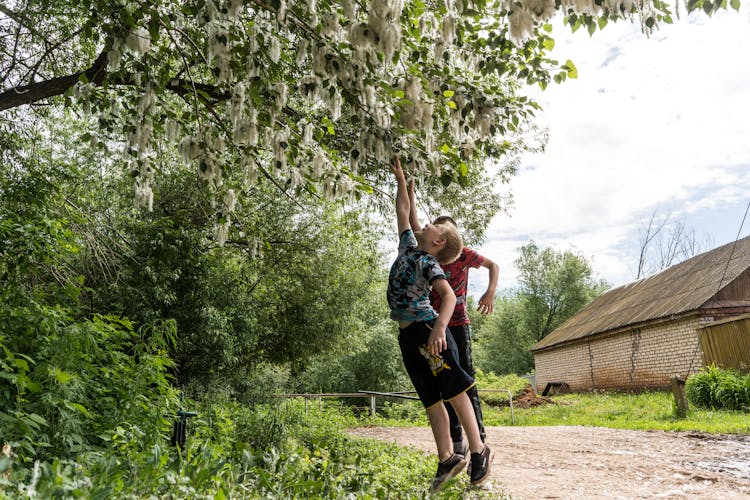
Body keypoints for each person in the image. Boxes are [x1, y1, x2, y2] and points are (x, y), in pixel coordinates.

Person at [386, 155, 493, 491]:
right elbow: (403, 211)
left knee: (456, 389)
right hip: (408, 335)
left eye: (432, 226)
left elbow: (447, 297)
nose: (425, 224)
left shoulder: (430, 264)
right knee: (431, 399)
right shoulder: (408, 245)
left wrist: (437, 330)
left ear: (439, 242)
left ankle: (479, 451)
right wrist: (401, 179)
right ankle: (447, 457)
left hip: (429, 332)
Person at [416, 205, 498, 458]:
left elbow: (493, 265)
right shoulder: (428, 256)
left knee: (466, 382)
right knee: (445, 383)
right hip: (434, 324)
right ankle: (457, 439)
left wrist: (490, 291)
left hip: (458, 324)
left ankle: (480, 440)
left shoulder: (464, 255)